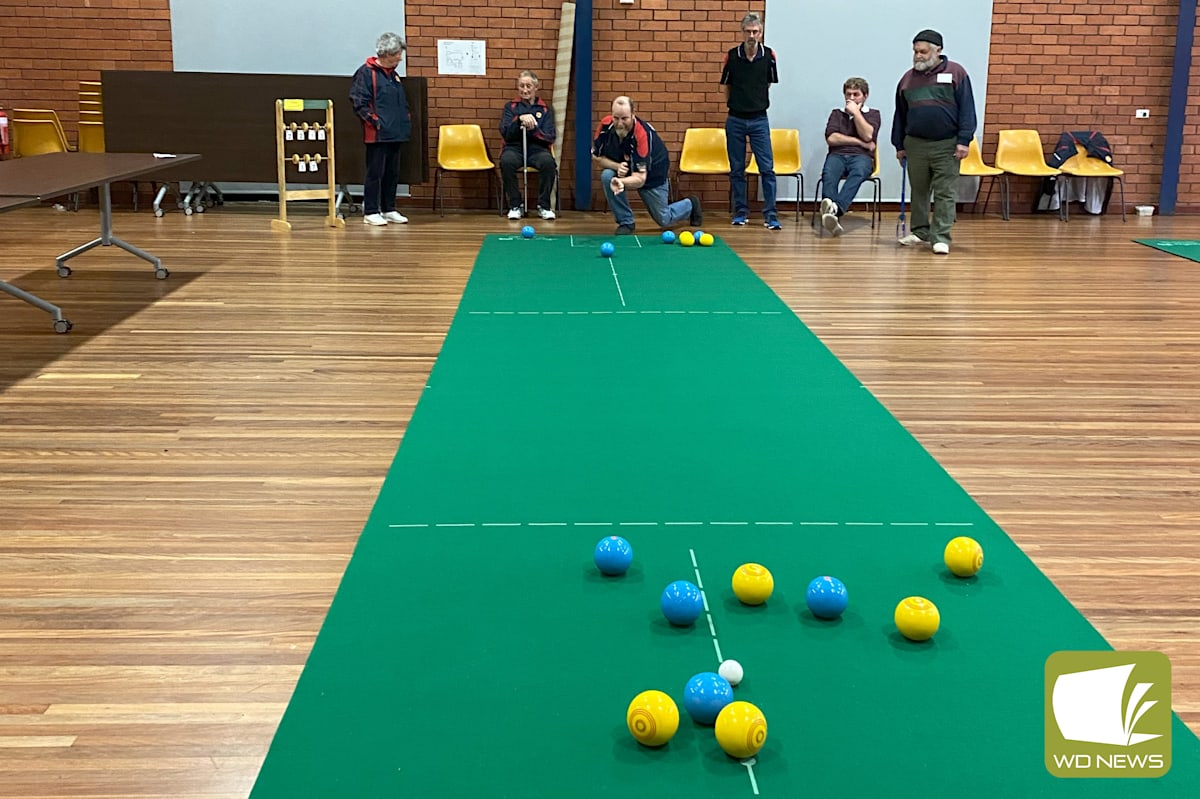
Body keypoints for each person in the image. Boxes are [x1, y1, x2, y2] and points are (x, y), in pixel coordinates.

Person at [890, 29, 977, 254]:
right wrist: (899, 145)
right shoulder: (907, 80)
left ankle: (940, 237)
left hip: (947, 144)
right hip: (915, 144)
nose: (918, 55)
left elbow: (967, 109)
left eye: (923, 51)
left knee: (944, 192)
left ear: (938, 50)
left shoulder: (956, 73)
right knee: (918, 190)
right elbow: (899, 115)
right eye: (915, 51)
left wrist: (964, 140)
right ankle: (920, 231)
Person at [592, 96, 701, 236]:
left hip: (652, 173)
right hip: (626, 167)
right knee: (607, 175)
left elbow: (640, 179)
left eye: (624, 118)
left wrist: (621, 181)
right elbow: (596, 157)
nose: (619, 123)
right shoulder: (605, 126)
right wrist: (616, 166)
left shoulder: (642, 134)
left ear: (633, 114)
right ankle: (626, 222)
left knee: (664, 219)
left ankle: (691, 204)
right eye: (616, 118)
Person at [720, 12, 780, 230]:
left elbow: (768, 83)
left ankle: (771, 215)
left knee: (767, 169)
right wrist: (736, 104)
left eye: (756, 31)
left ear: (761, 32)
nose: (752, 35)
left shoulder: (769, 55)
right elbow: (727, 86)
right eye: (748, 31)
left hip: (759, 120)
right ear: (742, 32)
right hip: (735, 119)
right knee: (736, 169)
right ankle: (740, 212)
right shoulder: (732, 55)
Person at [350, 32, 413, 226]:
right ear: (387, 53)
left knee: (392, 173)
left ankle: (389, 208)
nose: (400, 58)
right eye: (397, 54)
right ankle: (370, 211)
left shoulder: (393, 75)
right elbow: (358, 100)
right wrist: (374, 121)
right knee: (375, 173)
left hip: (396, 132)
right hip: (377, 133)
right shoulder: (366, 72)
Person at [819, 77, 882, 236]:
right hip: (838, 154)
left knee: (859, 172)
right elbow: (832, 138)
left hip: (862, 157)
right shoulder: (836, 114)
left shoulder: (873, 114)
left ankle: (836, 210)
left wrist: (856, 113)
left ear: (865, 96)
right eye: (848, 94)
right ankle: (831, 212)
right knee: (829, 173)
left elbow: (868, 135)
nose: (852, 98)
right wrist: (859, 142)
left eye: (856, 94)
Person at [499, 70, 557, 221]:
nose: (525, 90)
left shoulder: (545, 109)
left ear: (536, 87)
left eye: (528, 86)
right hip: (515, 148)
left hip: (537, 149)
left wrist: (534, 129)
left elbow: (550, 136)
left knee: (548, 163)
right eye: (521, 86)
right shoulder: (510, 107)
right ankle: (515, 205)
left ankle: (544, 206)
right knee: (506, 162)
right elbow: (506, 133)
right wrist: (518, 121)